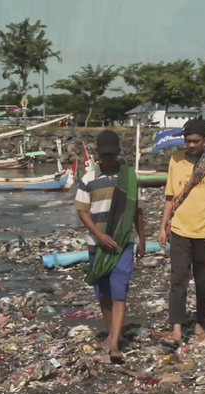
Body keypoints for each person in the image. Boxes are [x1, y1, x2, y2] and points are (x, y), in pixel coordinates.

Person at [157, 119, 205, 345]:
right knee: (178, 279)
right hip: (180, 229)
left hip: (204, 231)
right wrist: (163, 226)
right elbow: (170, 196)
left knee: (202, 280)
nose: (191, 145)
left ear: (204, 140)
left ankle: (201, 326)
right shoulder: (176, 159)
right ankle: (177, 331)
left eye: (195, 141)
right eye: (187, 141)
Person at [74, 130, 146, 361]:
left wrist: (142, 238)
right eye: (104, 156)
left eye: (111, 155)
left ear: (117, 153)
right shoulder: (88, 179)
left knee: (119, 291)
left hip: (123, 242)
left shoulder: (128, 178)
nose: (108, 160)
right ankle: (112, 332)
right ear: (97, 154)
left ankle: (114, 343)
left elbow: (136, 209)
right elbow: (82, 211)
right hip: (98, 244)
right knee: (103, 291)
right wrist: (98, 235)